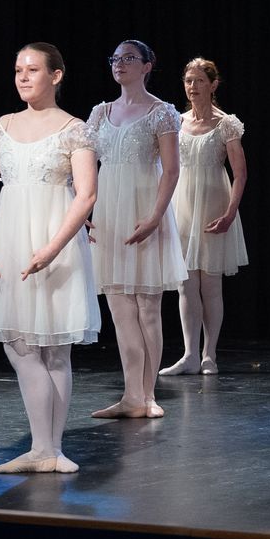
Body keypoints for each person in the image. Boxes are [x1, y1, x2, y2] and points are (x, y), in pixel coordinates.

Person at [0, 43, 100, 474]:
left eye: (32, 70)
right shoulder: (0, 128)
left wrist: (53, 247)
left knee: (55, 351)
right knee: (21, 345)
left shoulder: (75, 129)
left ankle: (50, 449)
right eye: (18, 70)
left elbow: (86, 194)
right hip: (10, 243)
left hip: (56, 243)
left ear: (56, 75)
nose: (23, 77)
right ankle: (44, 448)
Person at [87, 41, 188, 419]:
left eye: (129, 58)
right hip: (109, 214)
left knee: (147, 308)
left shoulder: (161, 112)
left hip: (144, 212)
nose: (120, 64)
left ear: (147, 66)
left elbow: (172, 170)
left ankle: (148, 395)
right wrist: (81, 209)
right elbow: (82, 164)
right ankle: (132, 395)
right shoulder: (100, 112)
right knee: (119, 308)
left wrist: (155, 217)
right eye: (115, 59)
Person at [161, 58, 248, 376]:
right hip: (182, 205)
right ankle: (189, 355)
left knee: (210, 284)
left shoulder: (227, 124)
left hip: (213, 203)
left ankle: (209, 354)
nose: (193, 86)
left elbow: (240, 173)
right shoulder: (176, 121)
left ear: (213, 84)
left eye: (199, 80)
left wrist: (230, 212)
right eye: (188, 80)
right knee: (186, 284)